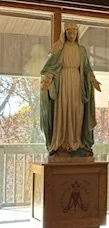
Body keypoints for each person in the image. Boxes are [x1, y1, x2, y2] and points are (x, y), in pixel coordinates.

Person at [40, 22, 101, 157]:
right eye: (69, 32)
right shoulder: (60, 49)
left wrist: (92, 79)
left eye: (74, 32)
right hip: (63, 82)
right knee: (63, 109)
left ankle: (77, 141)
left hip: (77, 82)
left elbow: (86, 68)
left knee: (77, 111)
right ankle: (61, 142)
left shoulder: (81, 50)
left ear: (77, 34)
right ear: (65, 33)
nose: (72, 35)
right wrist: (48, 78)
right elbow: (51, 66)